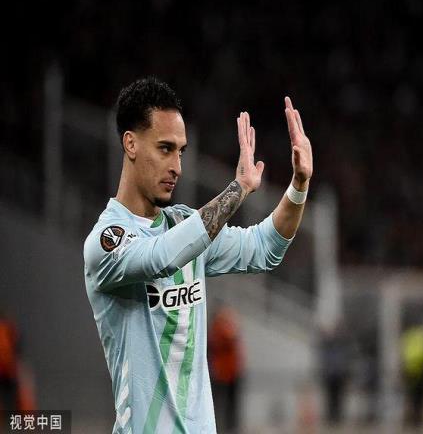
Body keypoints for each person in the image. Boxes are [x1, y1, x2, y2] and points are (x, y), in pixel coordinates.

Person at [83, 77, 313, 433]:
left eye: (181, 151)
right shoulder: (107, 241)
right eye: (165, 149)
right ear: (130, 143)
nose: (177, 166)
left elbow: (264, 247)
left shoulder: (184, 226)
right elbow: (161, 258)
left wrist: (298, 185)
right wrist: (238, 189)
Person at [208, 305, 244, 433]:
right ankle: (220, 428)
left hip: (231, 373)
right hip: (221, 374)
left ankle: (229, 428)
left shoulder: (221, 328)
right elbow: (229, 338)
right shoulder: (218, 329)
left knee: (231, 406)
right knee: (220, 404)